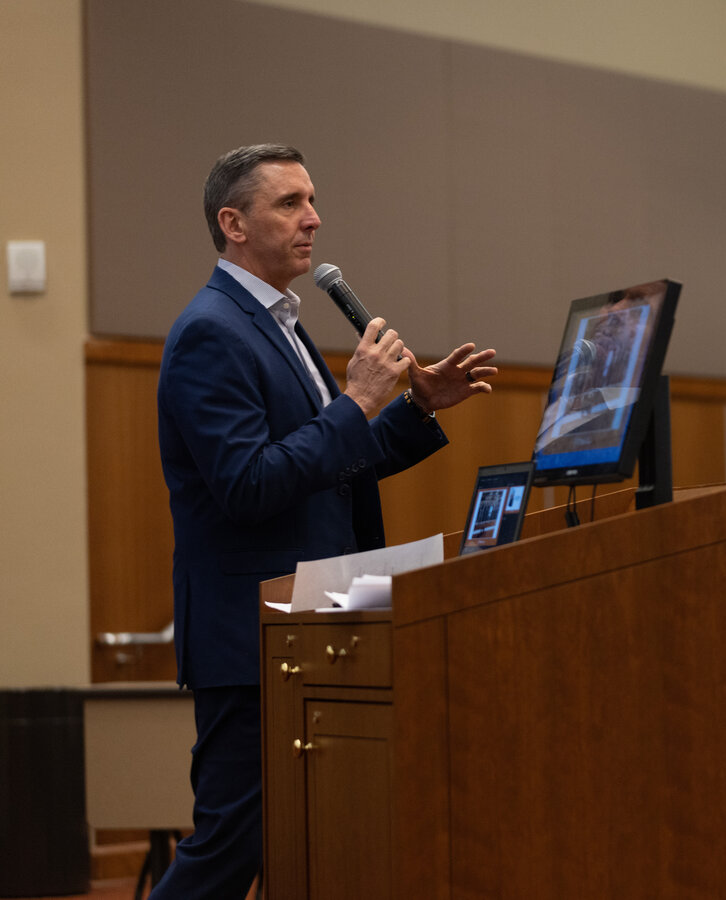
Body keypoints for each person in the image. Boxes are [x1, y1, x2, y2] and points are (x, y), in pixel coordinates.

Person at [152, 143, 497, 898]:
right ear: (232, 223)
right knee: (231, 847)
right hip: (254, 633)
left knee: (302, 834)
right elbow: (248, 485)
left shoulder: (276, 322)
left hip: (311, 618)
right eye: (290, 203)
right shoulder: (213, 331)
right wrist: (356, 403)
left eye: (312, 200)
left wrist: (411, 408)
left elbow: (322, 471)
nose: (315, 219)